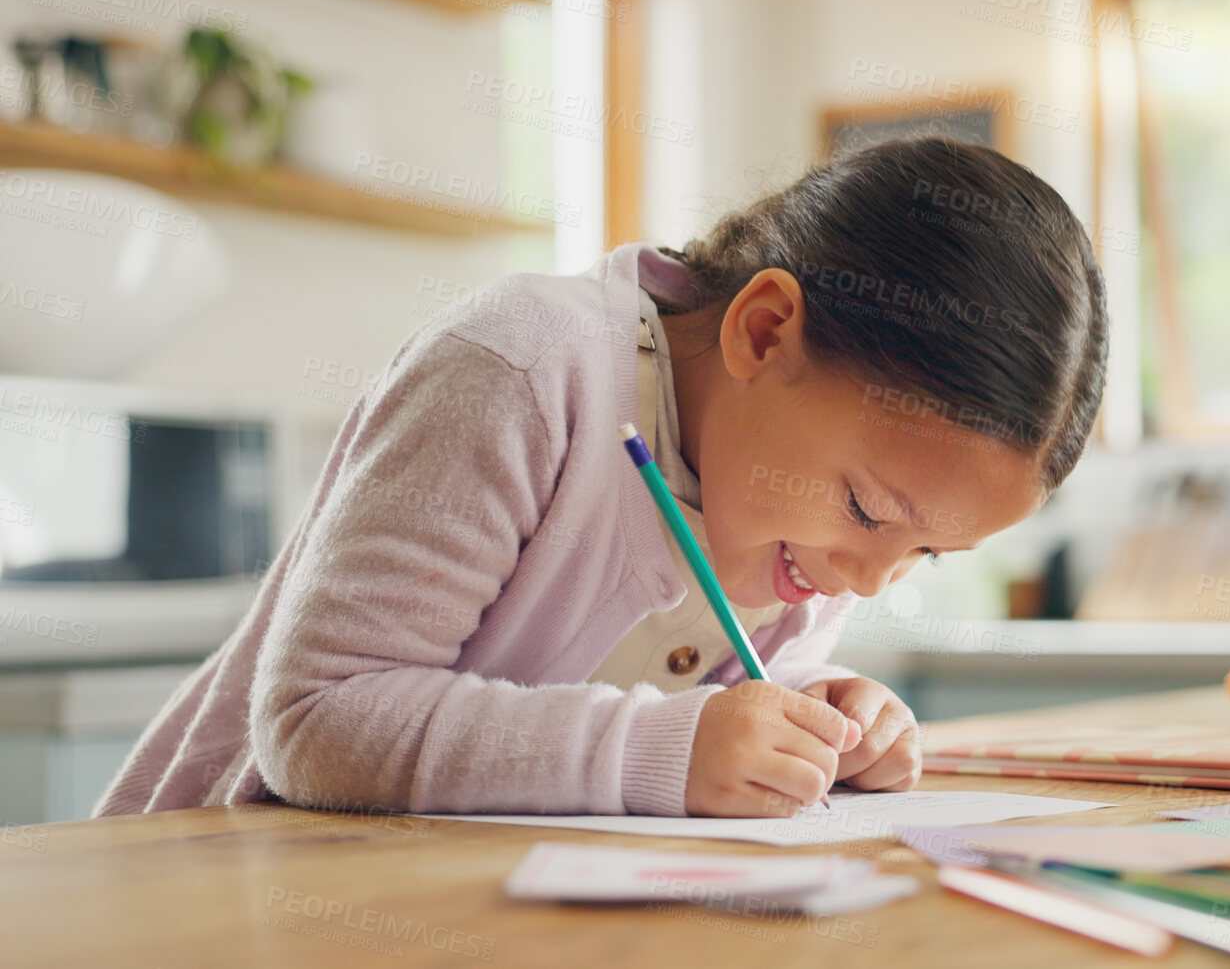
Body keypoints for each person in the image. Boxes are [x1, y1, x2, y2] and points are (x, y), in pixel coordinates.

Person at [95, 137, 1108, 819]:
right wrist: (658, 754)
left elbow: (702, 697)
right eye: (868, 510)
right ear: (763, 331)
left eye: (922, 548)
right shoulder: (524, 370)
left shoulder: (792, 526)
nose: (870, 579)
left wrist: (814, 712)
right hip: (208, 898)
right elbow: (317, 722)